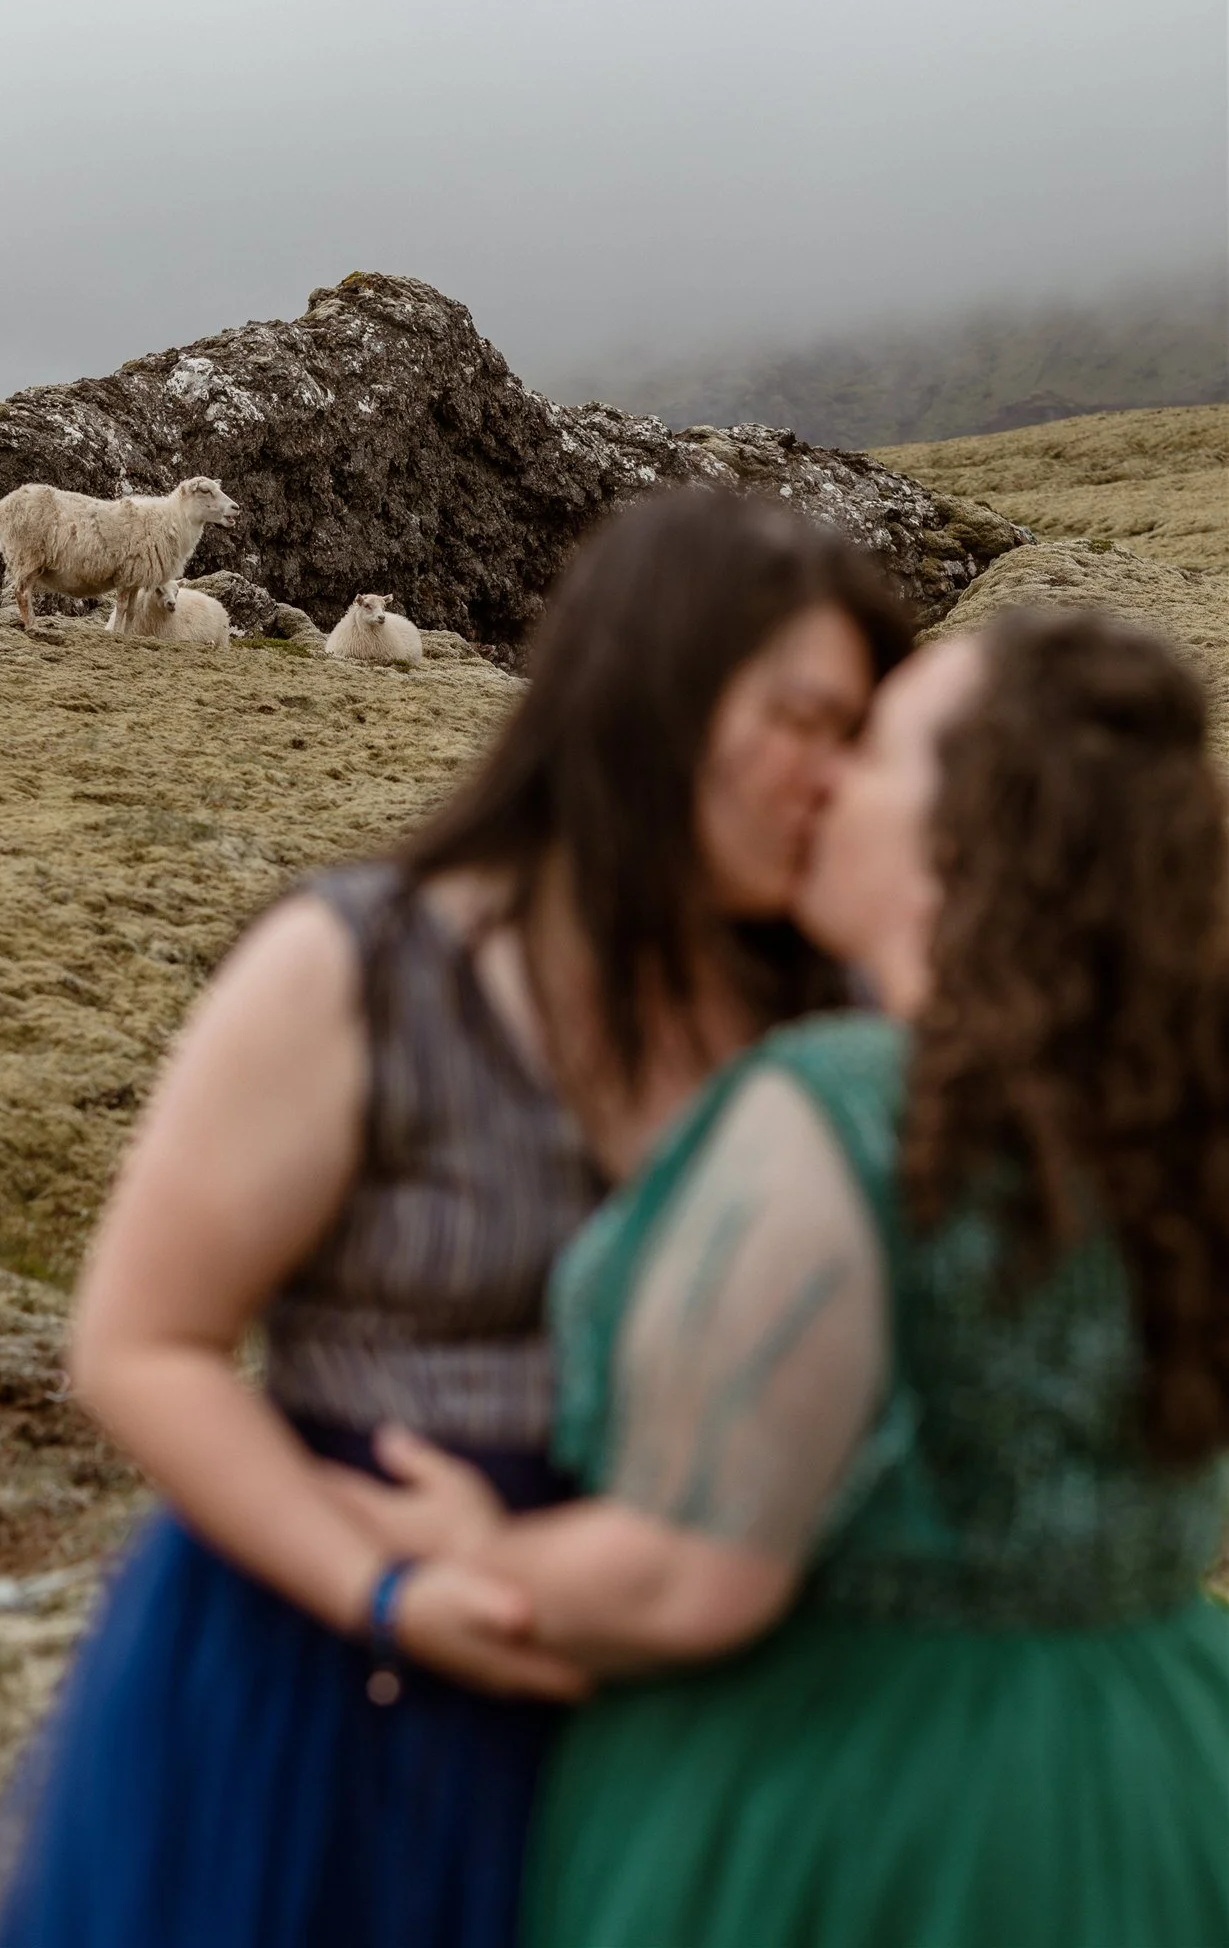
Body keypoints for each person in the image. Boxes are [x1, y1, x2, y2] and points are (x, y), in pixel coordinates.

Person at [0, 488, 911, 1948]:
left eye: (866, 735)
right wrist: (381, 1587)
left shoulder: (832, 1012)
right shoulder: (360, 970)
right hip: (340, 1680)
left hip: (690, 1668)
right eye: (803, 720)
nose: (836, 778)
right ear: (652, 693)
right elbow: (143, 1342)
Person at [354, 608, 1229, 1948]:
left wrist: (469, 1555)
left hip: (866, 1808)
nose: (827, 779)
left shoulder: (841, 1112)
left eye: (874, 748)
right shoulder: (1178, 1107)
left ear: (960, 839)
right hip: (1158, 1768)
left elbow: (697, 1578)